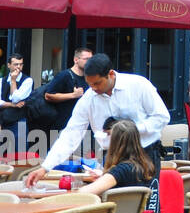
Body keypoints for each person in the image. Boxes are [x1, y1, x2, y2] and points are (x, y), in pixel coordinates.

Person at [23, 54, 169, 188]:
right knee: (115, 207)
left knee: (148, 208)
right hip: (112, 159)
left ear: (111, 74)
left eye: (97, 83)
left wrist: (130, 129)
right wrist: (46, 167)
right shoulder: (88, 98)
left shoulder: (138, 85)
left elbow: (162, 117)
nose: (93, 88)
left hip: (145, 154)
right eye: (90, 84)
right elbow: (70, 134)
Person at [83, 119, 156, 195]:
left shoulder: (120, 170)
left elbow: (85, 193)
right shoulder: (145, 165)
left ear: (115, 142)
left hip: (115, 206)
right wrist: (103, 175)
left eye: (109, 136)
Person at [43, 47, 92, 131]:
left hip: (84, 126)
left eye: (91, 59)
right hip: (65, 125)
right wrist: (73, 95)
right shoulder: (64, 75)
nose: (90, 62)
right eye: (86, 59)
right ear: (76, 60)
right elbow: (48, 95)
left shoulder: (90, 77)